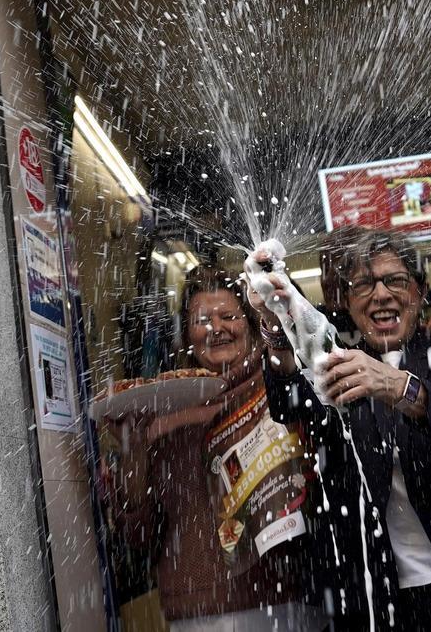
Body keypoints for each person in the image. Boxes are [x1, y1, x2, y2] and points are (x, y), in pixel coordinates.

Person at [249, 226, 431, 631]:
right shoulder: (342, 364)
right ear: (346, 301)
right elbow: (290, 402)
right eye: (364, 284)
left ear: (420, 292)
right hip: (382, 598)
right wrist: (276, 315)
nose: (381, 294)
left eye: (396, 280)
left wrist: (396, 385)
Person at [115, 268, 325, 631]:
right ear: (187, 334)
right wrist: (131, 447)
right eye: (202, 320)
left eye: (228, 316)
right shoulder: (164, 408)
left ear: (249, 320)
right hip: (196, 612)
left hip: (286, 599)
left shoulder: (281, 383)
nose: (216, 328)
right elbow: (140, 533)